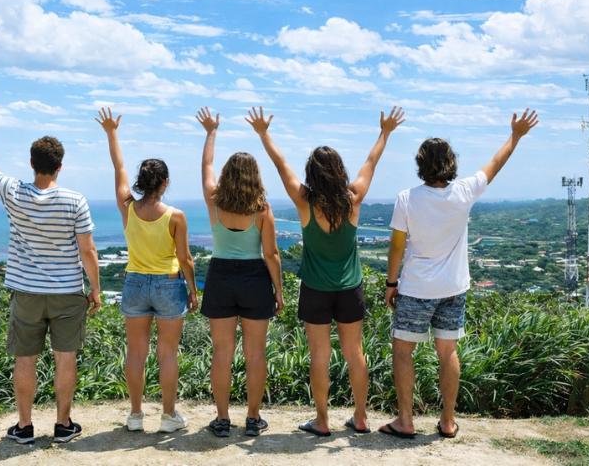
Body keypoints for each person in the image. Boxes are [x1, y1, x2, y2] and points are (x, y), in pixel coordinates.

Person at [0, 108, 101, 445]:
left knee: (25, 360)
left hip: (25, 292)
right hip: (68, 293)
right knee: (65, 358)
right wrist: (95, 289)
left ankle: (24, 427)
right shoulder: (75, 201)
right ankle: (63, 424)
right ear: (60, 166)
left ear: (31, 163)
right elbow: (88, 251)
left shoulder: (12, 192)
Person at [380, 109, 539, 440]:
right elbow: (495, 165)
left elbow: (397, 248)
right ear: (451, 163)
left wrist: (391, 283)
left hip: (416, 288)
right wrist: (516, 136)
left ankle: (406, 420)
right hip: (453, 287)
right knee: (447, 351)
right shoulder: (464, 191)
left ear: (420, 164)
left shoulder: (406, 199)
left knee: (403, 350)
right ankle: (448, 421)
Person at [247, 105, 405, 437]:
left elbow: (281, 166)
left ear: (312, 173)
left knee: (319, 355)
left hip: (316, 289)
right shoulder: (353, 198)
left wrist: (264, 134)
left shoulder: (305, 201)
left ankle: (322, 420)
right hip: (350, 288)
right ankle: (360, 417)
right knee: (354, 352)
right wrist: (385, 132)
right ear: (338, 171)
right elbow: (371, 162)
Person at [96, 107, 198, 433]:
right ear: (166, 183)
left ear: (142, 182)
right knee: (168, 353)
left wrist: (112, 133)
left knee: (136, 352)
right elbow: (186, 260)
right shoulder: (176, 216)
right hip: (169, 285)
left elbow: (119, 167)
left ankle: (135, 415)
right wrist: (193, 290)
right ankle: (169, 416)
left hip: (135, 283)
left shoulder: (128, 208)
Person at [195, 107, 284, 438]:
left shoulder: (214, 201)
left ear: (227, 175)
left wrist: (210, 132)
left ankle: (221, 419)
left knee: (222, 352)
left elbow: (206, 166)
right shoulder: (262, 210)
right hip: (254, 278)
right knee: (255, 353)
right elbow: (272, 255)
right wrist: (279, 290)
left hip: (220, 276)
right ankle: (252, 417)